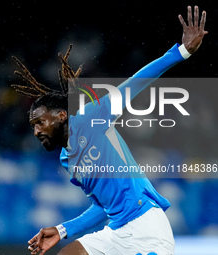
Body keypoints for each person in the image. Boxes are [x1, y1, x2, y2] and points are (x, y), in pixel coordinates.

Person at [11, 5, 207, 255]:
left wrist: (181, 52)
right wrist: (62, 230)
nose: (36, 131)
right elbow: (103, 206)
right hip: (115, 232)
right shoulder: (67, 160)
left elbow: (136, 82)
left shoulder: (91, 117)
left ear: (61, 116)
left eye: (40, 123)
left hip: (147, 227)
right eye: (32, 126)